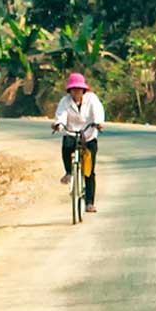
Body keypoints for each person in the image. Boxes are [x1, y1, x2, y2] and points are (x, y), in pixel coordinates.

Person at [53, 73, 106, 212]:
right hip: (72, 132)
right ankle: (68, 172)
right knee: (66, 145)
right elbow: (61, 116)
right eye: (73, 89)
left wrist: (99, 123)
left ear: (84, 90)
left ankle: (89, 202)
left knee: (89, 171)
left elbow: (98, 113)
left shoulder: (92, 99)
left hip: (88, 135)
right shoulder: (65, 101)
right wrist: (58, 124)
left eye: (79, 89)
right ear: (69, 90)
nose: (76, 92)